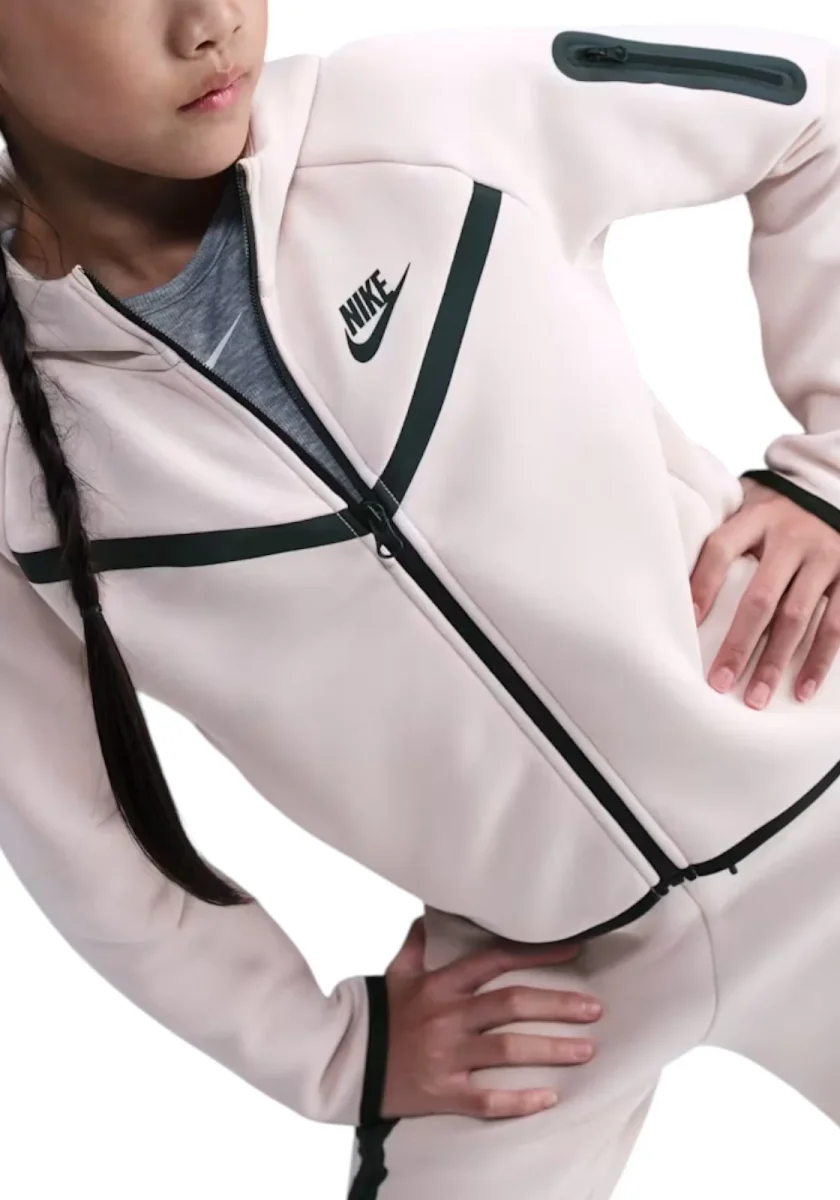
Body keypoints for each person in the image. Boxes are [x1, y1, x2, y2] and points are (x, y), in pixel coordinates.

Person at [2, 5, 840, 1198]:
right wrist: (331, 1051)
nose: (211, 21)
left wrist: (829, 476)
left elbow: (814, 105)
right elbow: (74, 825)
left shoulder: (419, 118)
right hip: (539, 991)